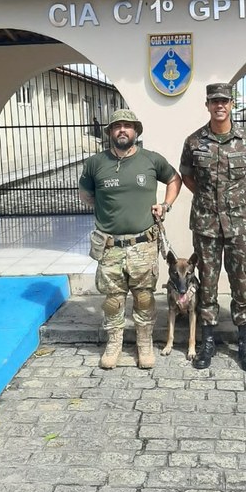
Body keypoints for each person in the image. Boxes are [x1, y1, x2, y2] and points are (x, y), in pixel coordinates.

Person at [79, 109, 181, 370]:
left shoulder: (151, 160)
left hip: (143, 245)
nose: (122, 130)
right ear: (110, 132)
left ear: (136, 131)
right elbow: (86, 194)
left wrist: (165, 206)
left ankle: (144, 344)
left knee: (144, 297)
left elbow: (174, 179)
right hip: (110, 246)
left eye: (127, 126)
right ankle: (114, 344)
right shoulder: (95, 163)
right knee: (113, 300)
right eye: (117, 126)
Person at [180, 83, 246, 371]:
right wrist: (207, 199)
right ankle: (207, 341)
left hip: (239, 224)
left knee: (241, 280)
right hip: (206, 225)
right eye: (214, 101)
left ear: (232, 104)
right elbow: (187, 176)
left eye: (225, 101)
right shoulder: (194, 141)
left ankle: (244, 343)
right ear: (207, 105)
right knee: (207, 282)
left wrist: (241, 196)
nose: (220, 106)